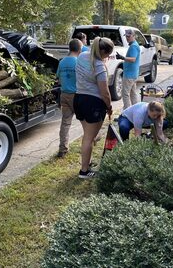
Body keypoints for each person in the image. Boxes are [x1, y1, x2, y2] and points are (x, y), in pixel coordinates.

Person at [74, 37, 114, 178]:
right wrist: (109, 106)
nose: (107, 58)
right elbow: (105, 92)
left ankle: (87, 163)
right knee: (89, 138)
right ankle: (84, 171)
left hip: (78, 99)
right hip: (93, 104)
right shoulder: (99, 66)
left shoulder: (82, 56)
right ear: (103, 51)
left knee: (88, 136)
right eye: (108, 55)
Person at [56, 38, 82, 157]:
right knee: (86, 120)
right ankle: (94, 138)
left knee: (65, 123)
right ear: (79, 48)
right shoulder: (78, 62)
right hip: (76, 96)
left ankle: (62, 150)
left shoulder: (62, 62)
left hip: (64, 94)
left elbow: (58, 78)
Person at [116, 28, 140, 109]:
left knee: (125, 94)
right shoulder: (134, 45)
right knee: (133, 94)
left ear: (133, 36)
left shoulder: (133, 46)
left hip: (129, 75)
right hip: (133, 74)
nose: (127, 38)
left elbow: (133, 59)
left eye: (129, 36)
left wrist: (122, 57)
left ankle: (127, 112)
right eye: (126, 36)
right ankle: (136, 110)